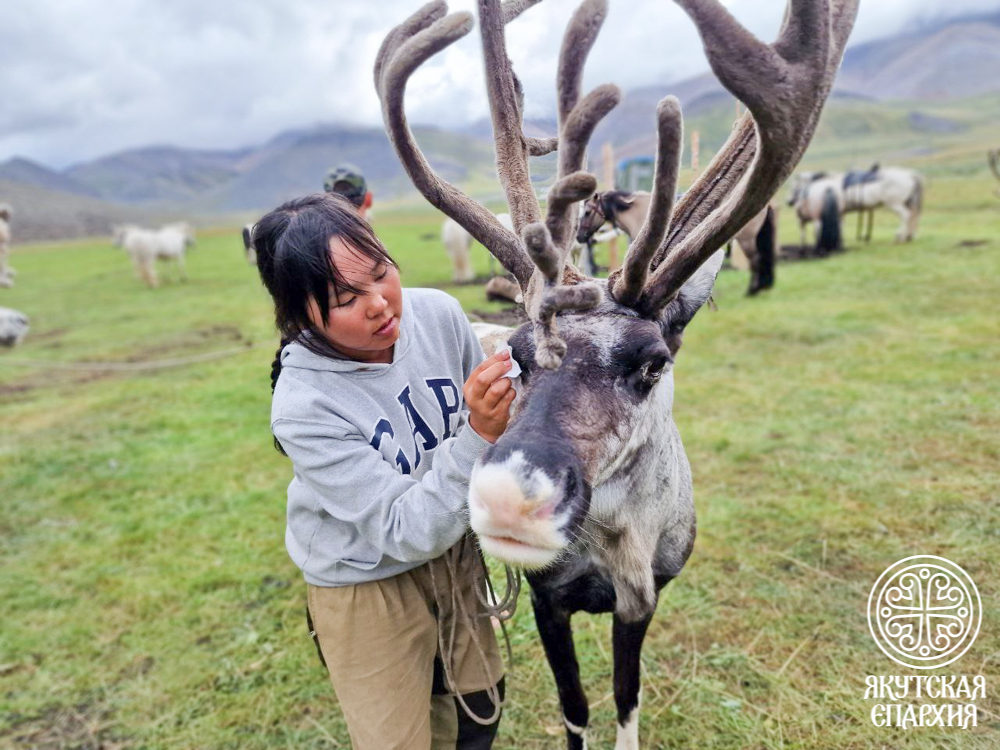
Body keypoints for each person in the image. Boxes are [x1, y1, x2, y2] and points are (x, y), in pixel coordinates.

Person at [253, 192, 516, 749]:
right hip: (366, 581)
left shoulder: (440, 315)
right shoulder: (304, 406)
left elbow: (493, 430)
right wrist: (479, 434)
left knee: (478, 705)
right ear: (300, 313)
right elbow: (401, 530)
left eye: (380, 274)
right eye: (347, 297)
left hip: (453, 554)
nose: (380, 304)